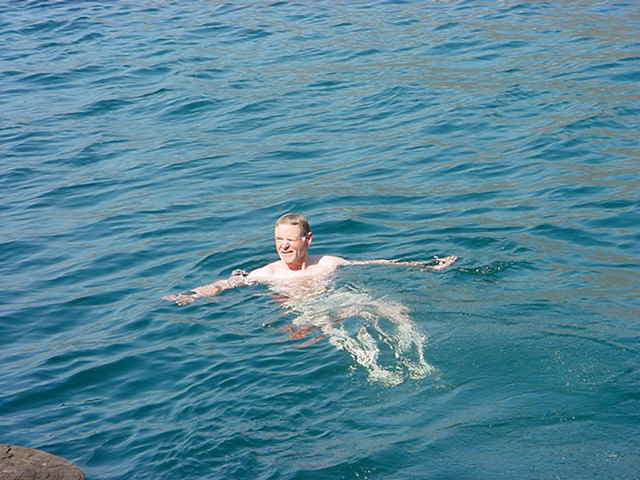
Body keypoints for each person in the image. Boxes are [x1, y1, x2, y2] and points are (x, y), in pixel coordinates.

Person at [163, 213, 457, 306]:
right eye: (279, 240)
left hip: (338, 299)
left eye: (290, 240)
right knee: (328, 329)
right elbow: (225, 284)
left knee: (389, 308)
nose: (283, 246)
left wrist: (426, 266)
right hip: (304, 310)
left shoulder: (328, 263)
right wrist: (193, 295)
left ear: (308, 240)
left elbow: (375, 263)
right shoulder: (268, 274)